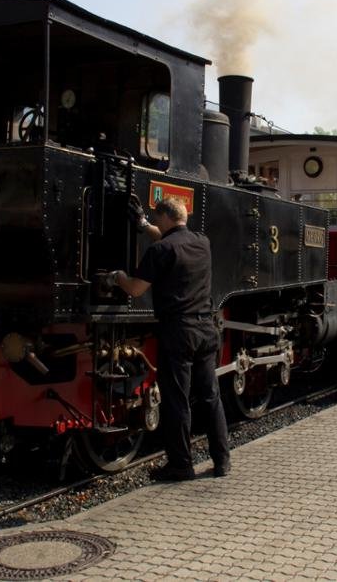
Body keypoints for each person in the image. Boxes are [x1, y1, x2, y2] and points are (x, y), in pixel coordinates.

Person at [108, 197, 231, 481]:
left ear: (164, 217)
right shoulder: (202, 242)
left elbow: (136, 289)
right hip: (205, 330)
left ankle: (181, 465)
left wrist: (119, 278)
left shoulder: (160, 250)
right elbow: (171, 238)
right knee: (211, 397)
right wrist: (146, 225)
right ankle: (222, 461)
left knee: (177, 400)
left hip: (178, 332)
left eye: (157, 218)